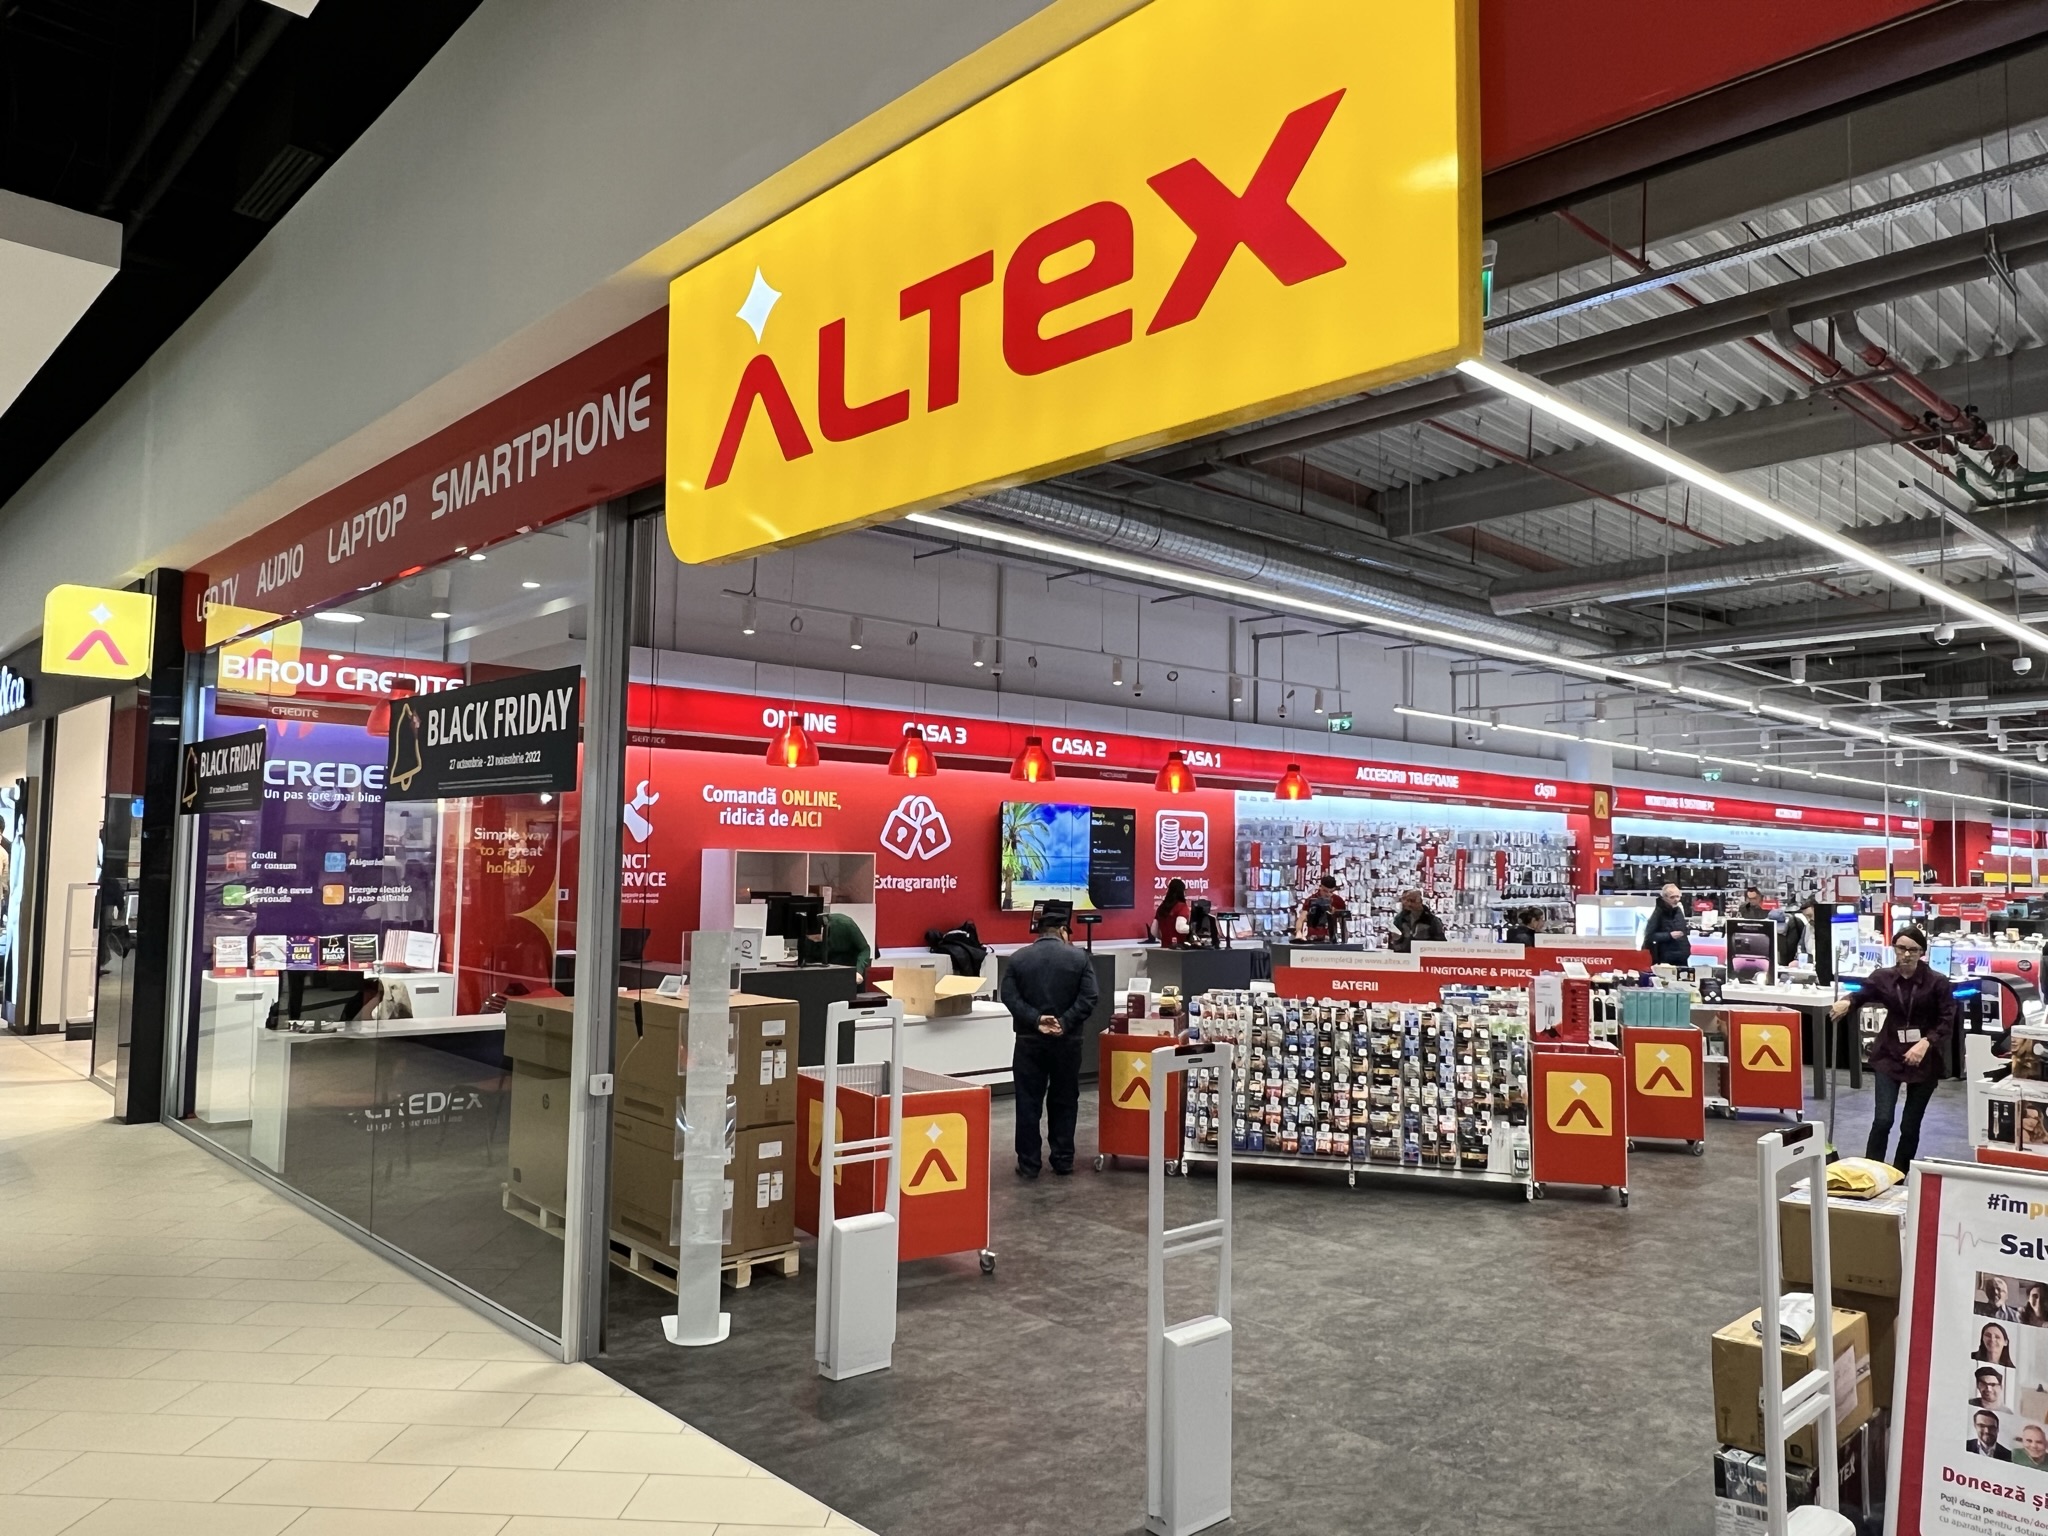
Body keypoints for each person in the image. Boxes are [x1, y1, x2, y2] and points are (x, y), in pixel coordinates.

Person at [1833, 925, 1956, 1169]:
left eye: (1913, 949)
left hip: (1925, 1058)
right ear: (1894, 949)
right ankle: (1871, 1172)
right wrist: (1846, 1002)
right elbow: (1861, 995)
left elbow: (1947, 1019)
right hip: (1888, 1054)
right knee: (1882, 1120)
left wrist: (1926, 1042)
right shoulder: (1883, 977)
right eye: (1901, 948)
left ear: (1922, 952)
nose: (1906, 954)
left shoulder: (1937, 982)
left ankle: (1899, 1175)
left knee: (1910, 1126)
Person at [998, 900, 1098, 1179]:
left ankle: (1029, 1163)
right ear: (1063, 931)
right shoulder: (1079, 959)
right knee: (1065, 1099)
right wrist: (1064, 1022)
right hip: (1068, 1042)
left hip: (1029, 1041)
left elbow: (1009, 996)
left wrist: (1036, 1019)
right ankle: (1063, 1160)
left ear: (1039, 931)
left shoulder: (1018, 959)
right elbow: (1089, 997)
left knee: (1028, 1101)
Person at [802, 907, 871, 984]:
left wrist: (858, 971)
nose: (815, 940)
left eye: (817, 938)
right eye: (812, 939)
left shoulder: (845, 924)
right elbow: (808, 958)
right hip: (823, 971)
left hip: (849, 968)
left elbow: (864, 949)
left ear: (823, 928)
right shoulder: (806, 934)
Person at [1643, 883, 1691, 967]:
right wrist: (1669, 935)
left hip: (1682, 956)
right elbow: (1649, 936)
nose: (1676, 900)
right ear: (1664, 898)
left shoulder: (1678, 909)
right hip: (1666, 959)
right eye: (1672, 897)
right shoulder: (1658, 913)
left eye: (1678, 896)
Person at [1298, 875, 1348, 943]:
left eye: (1331, 892)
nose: (1328, 894)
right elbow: (1301, 919)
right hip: (1313, 938)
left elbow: (1342, 923)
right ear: (1320, 887)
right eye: (1325, 891)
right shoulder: (1311, 900)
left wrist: (1345, 941)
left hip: (1331, 938)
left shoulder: (1338, 901)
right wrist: (1298, 932)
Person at [1155, 878, 1191, 949]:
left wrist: (1165, 938)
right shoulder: (1182, 907)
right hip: (1179, 949)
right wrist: (1194, 930)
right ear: (1182, 891)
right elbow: (1180, 928)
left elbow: (1154, 930)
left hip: (1164, 949)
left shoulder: (1162, 907)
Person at [1778, 901, 1816, 968]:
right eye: (1806, 917)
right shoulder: (1807, 927)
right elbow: (1801, 948)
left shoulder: (1830, 929)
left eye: (1810, 916)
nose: (1808, 920)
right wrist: (1798, 960)